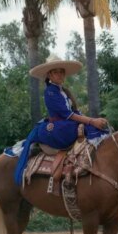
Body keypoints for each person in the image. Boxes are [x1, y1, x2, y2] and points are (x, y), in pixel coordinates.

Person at [7, 57, 109, 185]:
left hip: (66, 123)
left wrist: (89, 120)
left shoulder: (62, 91)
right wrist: (92, 121)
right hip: (59, 127)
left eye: (62, 72)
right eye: (56, 72)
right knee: (90, 128)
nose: (60, 74)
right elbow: (68, 114)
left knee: (96, 128)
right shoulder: (50, 92)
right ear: (49, 75)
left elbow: (74, 112)